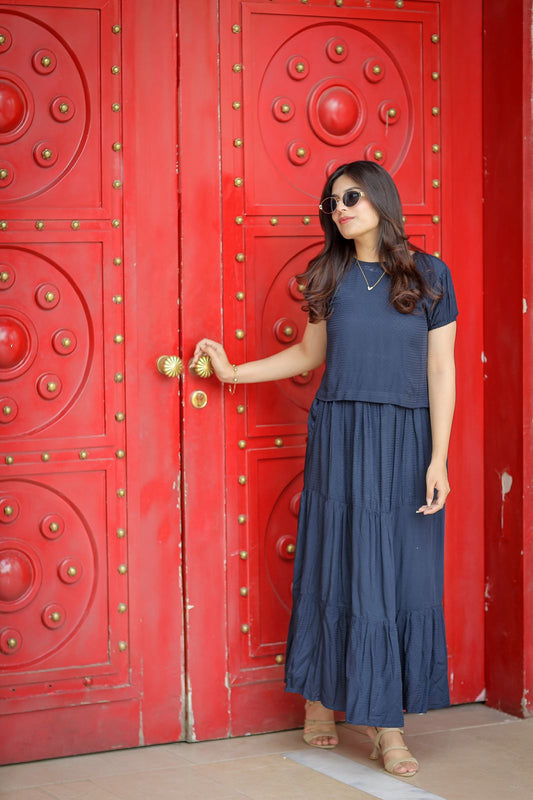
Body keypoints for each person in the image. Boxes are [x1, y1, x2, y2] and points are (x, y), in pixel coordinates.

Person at [193, 160, 457, 778]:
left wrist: (439, 457)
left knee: (395, 576)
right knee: (334, 560)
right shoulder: (326, 275)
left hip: (405, 438)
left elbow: (441, 371)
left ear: (382, 199)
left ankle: (386, 725)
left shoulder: (431, 274)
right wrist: (233, 372)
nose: (339, 207)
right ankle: (319, 696)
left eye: (352, 196)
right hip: (340, 434)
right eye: (332, 201)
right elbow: (309, 354)